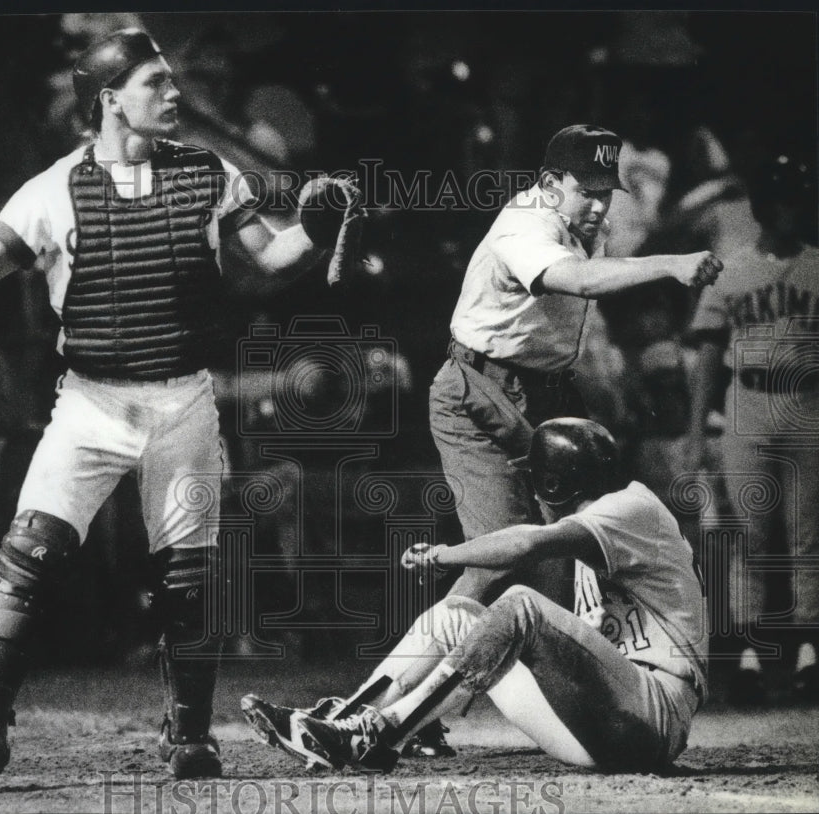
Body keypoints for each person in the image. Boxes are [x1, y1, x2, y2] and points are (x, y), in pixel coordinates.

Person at [0, 28, 348, 790]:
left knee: (190, 576)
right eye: (156, 83)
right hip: (90, 404)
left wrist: (317, 223)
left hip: (181, 402)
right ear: (111, 100)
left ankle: (188, 737)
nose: (175, 95)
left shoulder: (209, 174)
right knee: (24, 560)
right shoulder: (54, 188)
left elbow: (276, 257)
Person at [416, 123, 720, 757]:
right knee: (494, 559)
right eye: (586, 191)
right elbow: (579, 283)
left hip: (545, 389)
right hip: (479, 388)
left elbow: (583, 307)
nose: (599, 204)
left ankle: (577, 707)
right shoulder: (526, 222)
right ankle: (392, 707)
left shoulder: (585, 217)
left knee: (565, 569)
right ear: (550, 183)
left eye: (606, 191)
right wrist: (670, 264)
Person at [242, 418, 707, 774]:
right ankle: (342, 720)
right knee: (455, 616)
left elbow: (525, 543)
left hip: (652, 718)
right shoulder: (602, 528)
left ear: (554, 484)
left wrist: (445, 554)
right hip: (599, 724)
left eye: (537, 478)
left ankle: (378, 734)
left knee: (520, 604)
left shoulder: (632, 507)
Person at [686, 153, 819, 705]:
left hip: (807, 401)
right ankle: (746, 653)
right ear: (763, 207)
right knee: (748, 535)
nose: (787, 211)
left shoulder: (817, 266)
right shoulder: (731, 269)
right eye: (779, 200)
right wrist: (696, 430)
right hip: (748, 401)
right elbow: (709, 357)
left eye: (796, 200)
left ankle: (809, 652)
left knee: (808, 535)